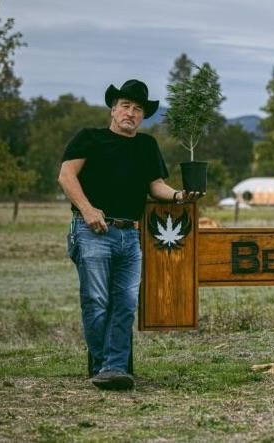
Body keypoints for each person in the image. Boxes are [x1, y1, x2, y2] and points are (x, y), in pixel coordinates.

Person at [57, 79, 202, 390]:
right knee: (96, 300)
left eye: (138, 109)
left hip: (130, 235)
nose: (131, 113)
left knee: (124, 303)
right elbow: (66, 176)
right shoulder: (90, 138)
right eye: (126, 106)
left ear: (143, 116)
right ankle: (106, 366)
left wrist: (179, 196)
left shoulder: (146, 146)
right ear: (113, 109)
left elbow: (156, 187)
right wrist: (87, 209)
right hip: (93, 230)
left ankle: (113, 368)